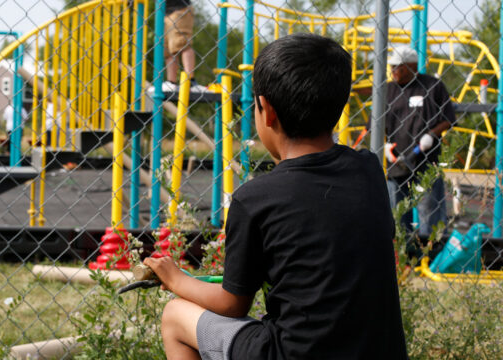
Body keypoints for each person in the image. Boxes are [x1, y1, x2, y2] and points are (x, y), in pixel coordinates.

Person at [143, 33, 407, 359]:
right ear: (339, 108)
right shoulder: (368, 171)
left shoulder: (255, 199)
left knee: (175, 317)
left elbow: (232, 303)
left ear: (266, 111)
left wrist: (176, 278)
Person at [384, 45, 455, 251]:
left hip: (426, 162)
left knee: (430, 210)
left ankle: (430, 255)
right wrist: (385, 145)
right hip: (396, 163)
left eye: (397, 67)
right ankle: (403, 256)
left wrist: (431, 135)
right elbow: (374, 122)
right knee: (397, 213)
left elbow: (448, 118)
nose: (393, 72)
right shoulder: (388, 90)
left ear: (411, 66)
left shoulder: (432, 86)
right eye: (391, 67)